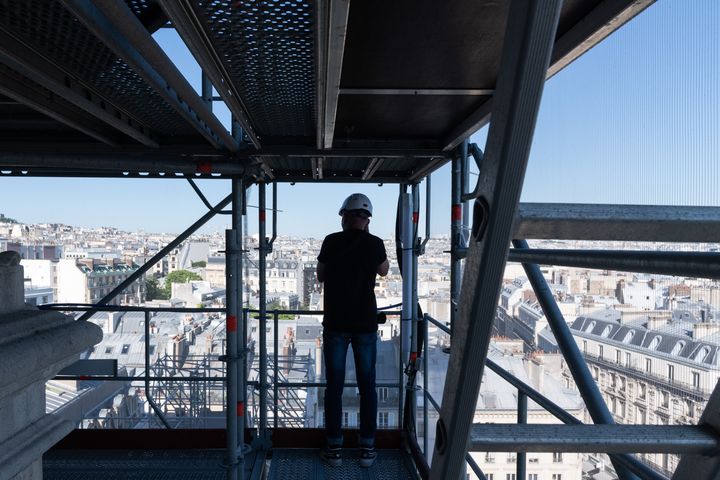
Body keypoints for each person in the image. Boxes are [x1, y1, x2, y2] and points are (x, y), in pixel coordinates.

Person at [316, 193, 389, 468]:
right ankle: (367, 447)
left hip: (335, 321)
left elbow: (321, 275)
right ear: (367, 219)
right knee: (367, 386)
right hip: (365, 323)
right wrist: (367, 239)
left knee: (334, 386)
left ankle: (334, 447)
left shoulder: (331, 241)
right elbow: (383, 271)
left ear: (345, 216)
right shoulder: (375, 244)